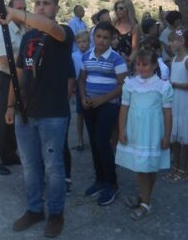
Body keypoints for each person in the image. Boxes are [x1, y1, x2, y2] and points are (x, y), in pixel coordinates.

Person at [5, 0, 74, 238]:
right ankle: (34, 209)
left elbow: (49, 26)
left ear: (56, 8)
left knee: (53, 168)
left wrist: (13, 13)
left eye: (46, 3)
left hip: (53, 114)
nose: (41, 7)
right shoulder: (27, 38)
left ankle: (56, 214)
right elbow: (18, 75)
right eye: (37, 3)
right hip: (25, 113)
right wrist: (10, 105)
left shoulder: (63, 33)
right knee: (30, 165)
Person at [116, 49, 173, 220]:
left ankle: (145, 201)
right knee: (141, 168)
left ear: (154, 65)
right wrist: (121, 130)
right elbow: (124, 108)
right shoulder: (130, 84)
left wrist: (167, 136)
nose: (140, 68)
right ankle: (144, 199)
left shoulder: (163, 86)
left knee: (150, 167)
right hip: (136, 132)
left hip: (152, 133)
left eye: (145, 64)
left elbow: (167, 113)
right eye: (138, 64)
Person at [79, 21, 128, 206]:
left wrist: (103, 99)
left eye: (105, 38)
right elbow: (81, 80)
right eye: (98, 36)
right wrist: (83, 97)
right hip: (89, 104)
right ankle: (99, 180)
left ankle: (112, 184)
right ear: (93, 37)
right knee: (94, 143)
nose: (101, 40)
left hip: (108, 105)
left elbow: (122, 85)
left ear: (111, 39)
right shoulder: (86, 56)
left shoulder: (117, 59)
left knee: (102, 143)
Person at [0, 0, 26, 175]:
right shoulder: (1, 31)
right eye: (18, 8)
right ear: (10, 10)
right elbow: (2, 58)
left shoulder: (22, 30)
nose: (22, 11)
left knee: (12, 120)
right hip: (3, 79)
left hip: (16, 79)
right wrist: (24, 66)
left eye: (24, 8)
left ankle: (8, 154)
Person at [163, 30, 188, 182]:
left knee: (185, 134)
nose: (171, 43)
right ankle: (175, 166)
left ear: (182, 41)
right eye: (170, 40)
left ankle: (183, 169)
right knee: (175, 133)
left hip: (185, 100)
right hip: (175, 99)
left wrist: (174, 84)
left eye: (173, 40)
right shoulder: (174, 59)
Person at [71, 29, 90, 151]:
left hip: (91, 85)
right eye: (79, 42)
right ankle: (80, 139)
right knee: (80, 113)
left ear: (89, 42)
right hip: (79, 85)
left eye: (84, 41)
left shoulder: (93, 54)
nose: (82, 44)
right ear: (76, 43)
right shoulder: (73, 56)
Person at [113, 0, 140, 68]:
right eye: (116, 8)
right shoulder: (114, 24)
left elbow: (135, 49)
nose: (118, 10)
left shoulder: (134, 27)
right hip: (112, 60)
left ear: (128, 9)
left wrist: (127, 63)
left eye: (121, 8)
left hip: (127, 61)